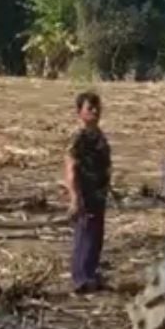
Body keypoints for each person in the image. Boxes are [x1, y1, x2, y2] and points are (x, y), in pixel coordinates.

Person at [64, 92, 111, 293]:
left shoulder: (98, 135)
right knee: (85, 235)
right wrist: (75, 198)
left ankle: (90, 274)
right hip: (85, 194)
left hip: (99, 194)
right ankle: (80, 279)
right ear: (79, 112)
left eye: (97, 107)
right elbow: (70, 167)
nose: (95, 111)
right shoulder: (79, 137)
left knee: (96, 236)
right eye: (89, 108)